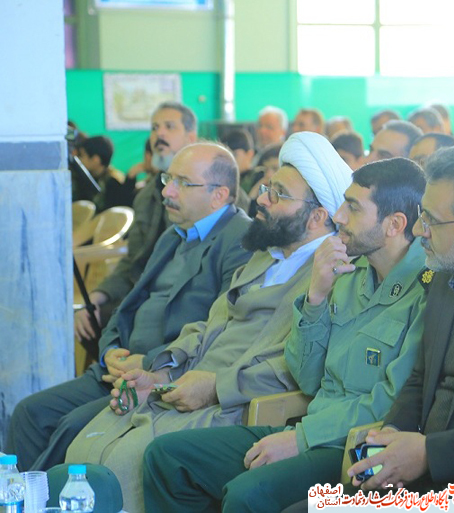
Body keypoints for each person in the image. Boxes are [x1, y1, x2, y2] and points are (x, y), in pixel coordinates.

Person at [64, 131, 353, 513]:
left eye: (278, 194)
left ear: (317, 216)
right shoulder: (267, 256)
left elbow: (294, 368)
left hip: (234, 404)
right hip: (184, 385)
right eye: (267, 188)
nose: (261, 199)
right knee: (84, 448)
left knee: (124, 463)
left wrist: (215, 387)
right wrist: (162, 371)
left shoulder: (330, 275)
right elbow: (208, 324)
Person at [141, 157, 429, 513]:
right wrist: (316, 296)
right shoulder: (350, 272)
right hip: (310, 427)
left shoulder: (426, 291)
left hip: (356, 449)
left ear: (394, 224)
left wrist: (301, 439)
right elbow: (307, 378)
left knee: (248, 494)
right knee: (168, 457)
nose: (338, 216)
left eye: (353, 207)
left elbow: (393, 403)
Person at [6, 142, 252, 472]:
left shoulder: (240, 239)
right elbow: (131, 302)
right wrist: (110, 349)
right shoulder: (174, 235)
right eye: (168, 179)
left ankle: (47, 496)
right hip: (118, 367)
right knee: (29, 412)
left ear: (218, 195)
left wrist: (149, 362)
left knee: (72, 427)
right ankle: (21, 495)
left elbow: (222, 329)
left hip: (160, 377)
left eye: (182, 183)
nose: (167, 191)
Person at [348, 145, 454, 494]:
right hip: (417, 470)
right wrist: (393, 434)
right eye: (420, 214)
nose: (418, 229)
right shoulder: (444, 277)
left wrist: (429, 453)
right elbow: (421, 377)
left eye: (430, 219)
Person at [74, 101, 197, 339]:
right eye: (155, 128)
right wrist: (97, 297)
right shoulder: (146, 196)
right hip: (143, 292)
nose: (159, 134)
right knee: (87, 318)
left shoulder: (203, 193)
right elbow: (134, 261)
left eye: (169, 127)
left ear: (191, 137)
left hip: (181, 301)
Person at [72, 136, 135, 212]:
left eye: (82, 156)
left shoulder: (113, 184)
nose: (79, 160)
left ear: (95, 159)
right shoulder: (88, 177)